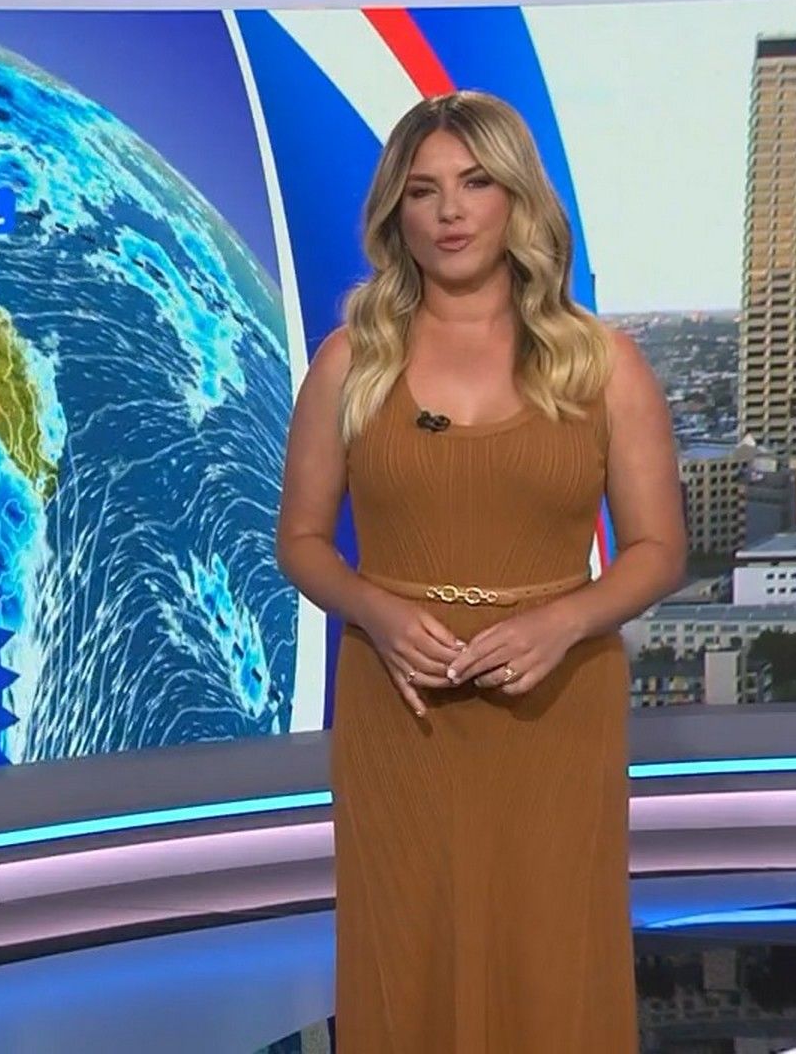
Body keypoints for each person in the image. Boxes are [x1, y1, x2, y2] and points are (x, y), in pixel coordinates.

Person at [275, 89, 687, 1052]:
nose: (450, 211)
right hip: (402, 702)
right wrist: (376, 612)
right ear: (397, 213)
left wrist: (562, 622)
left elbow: (659, 549)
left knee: (548, 954)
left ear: (517, 200)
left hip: (556, 702)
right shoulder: (350, 363)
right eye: (423, 192)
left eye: (474, 184)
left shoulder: (602, 365)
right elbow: (300, 541)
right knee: (407, 948)